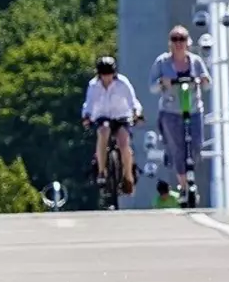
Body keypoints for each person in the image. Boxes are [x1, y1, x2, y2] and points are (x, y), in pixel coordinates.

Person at [149, 27, 209, 202]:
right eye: (175, 39)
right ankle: (184, 186)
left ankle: (190, 177)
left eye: (181, 39)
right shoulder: (162, 62)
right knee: (177, 149)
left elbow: (207, 83)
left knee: (197, 144)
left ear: (188, 42)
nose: (178, 43)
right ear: (170, 43)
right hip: (171, 111)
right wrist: (162, 82)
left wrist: (203, 80)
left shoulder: (196, 62)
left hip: (193, 109)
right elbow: (152, 87)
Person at [80, 55, 140, 196]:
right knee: (103, 132)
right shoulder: (94, 85)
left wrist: (137, 112)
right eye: (103, 74)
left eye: (109, 74)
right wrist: (87, 116)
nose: (107, 77)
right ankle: (102, 171)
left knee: (124, 143)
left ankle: (128, 176)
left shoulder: (122, 83)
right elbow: (89, 103)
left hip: (121, 117)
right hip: (103, 118)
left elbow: (133, 101)